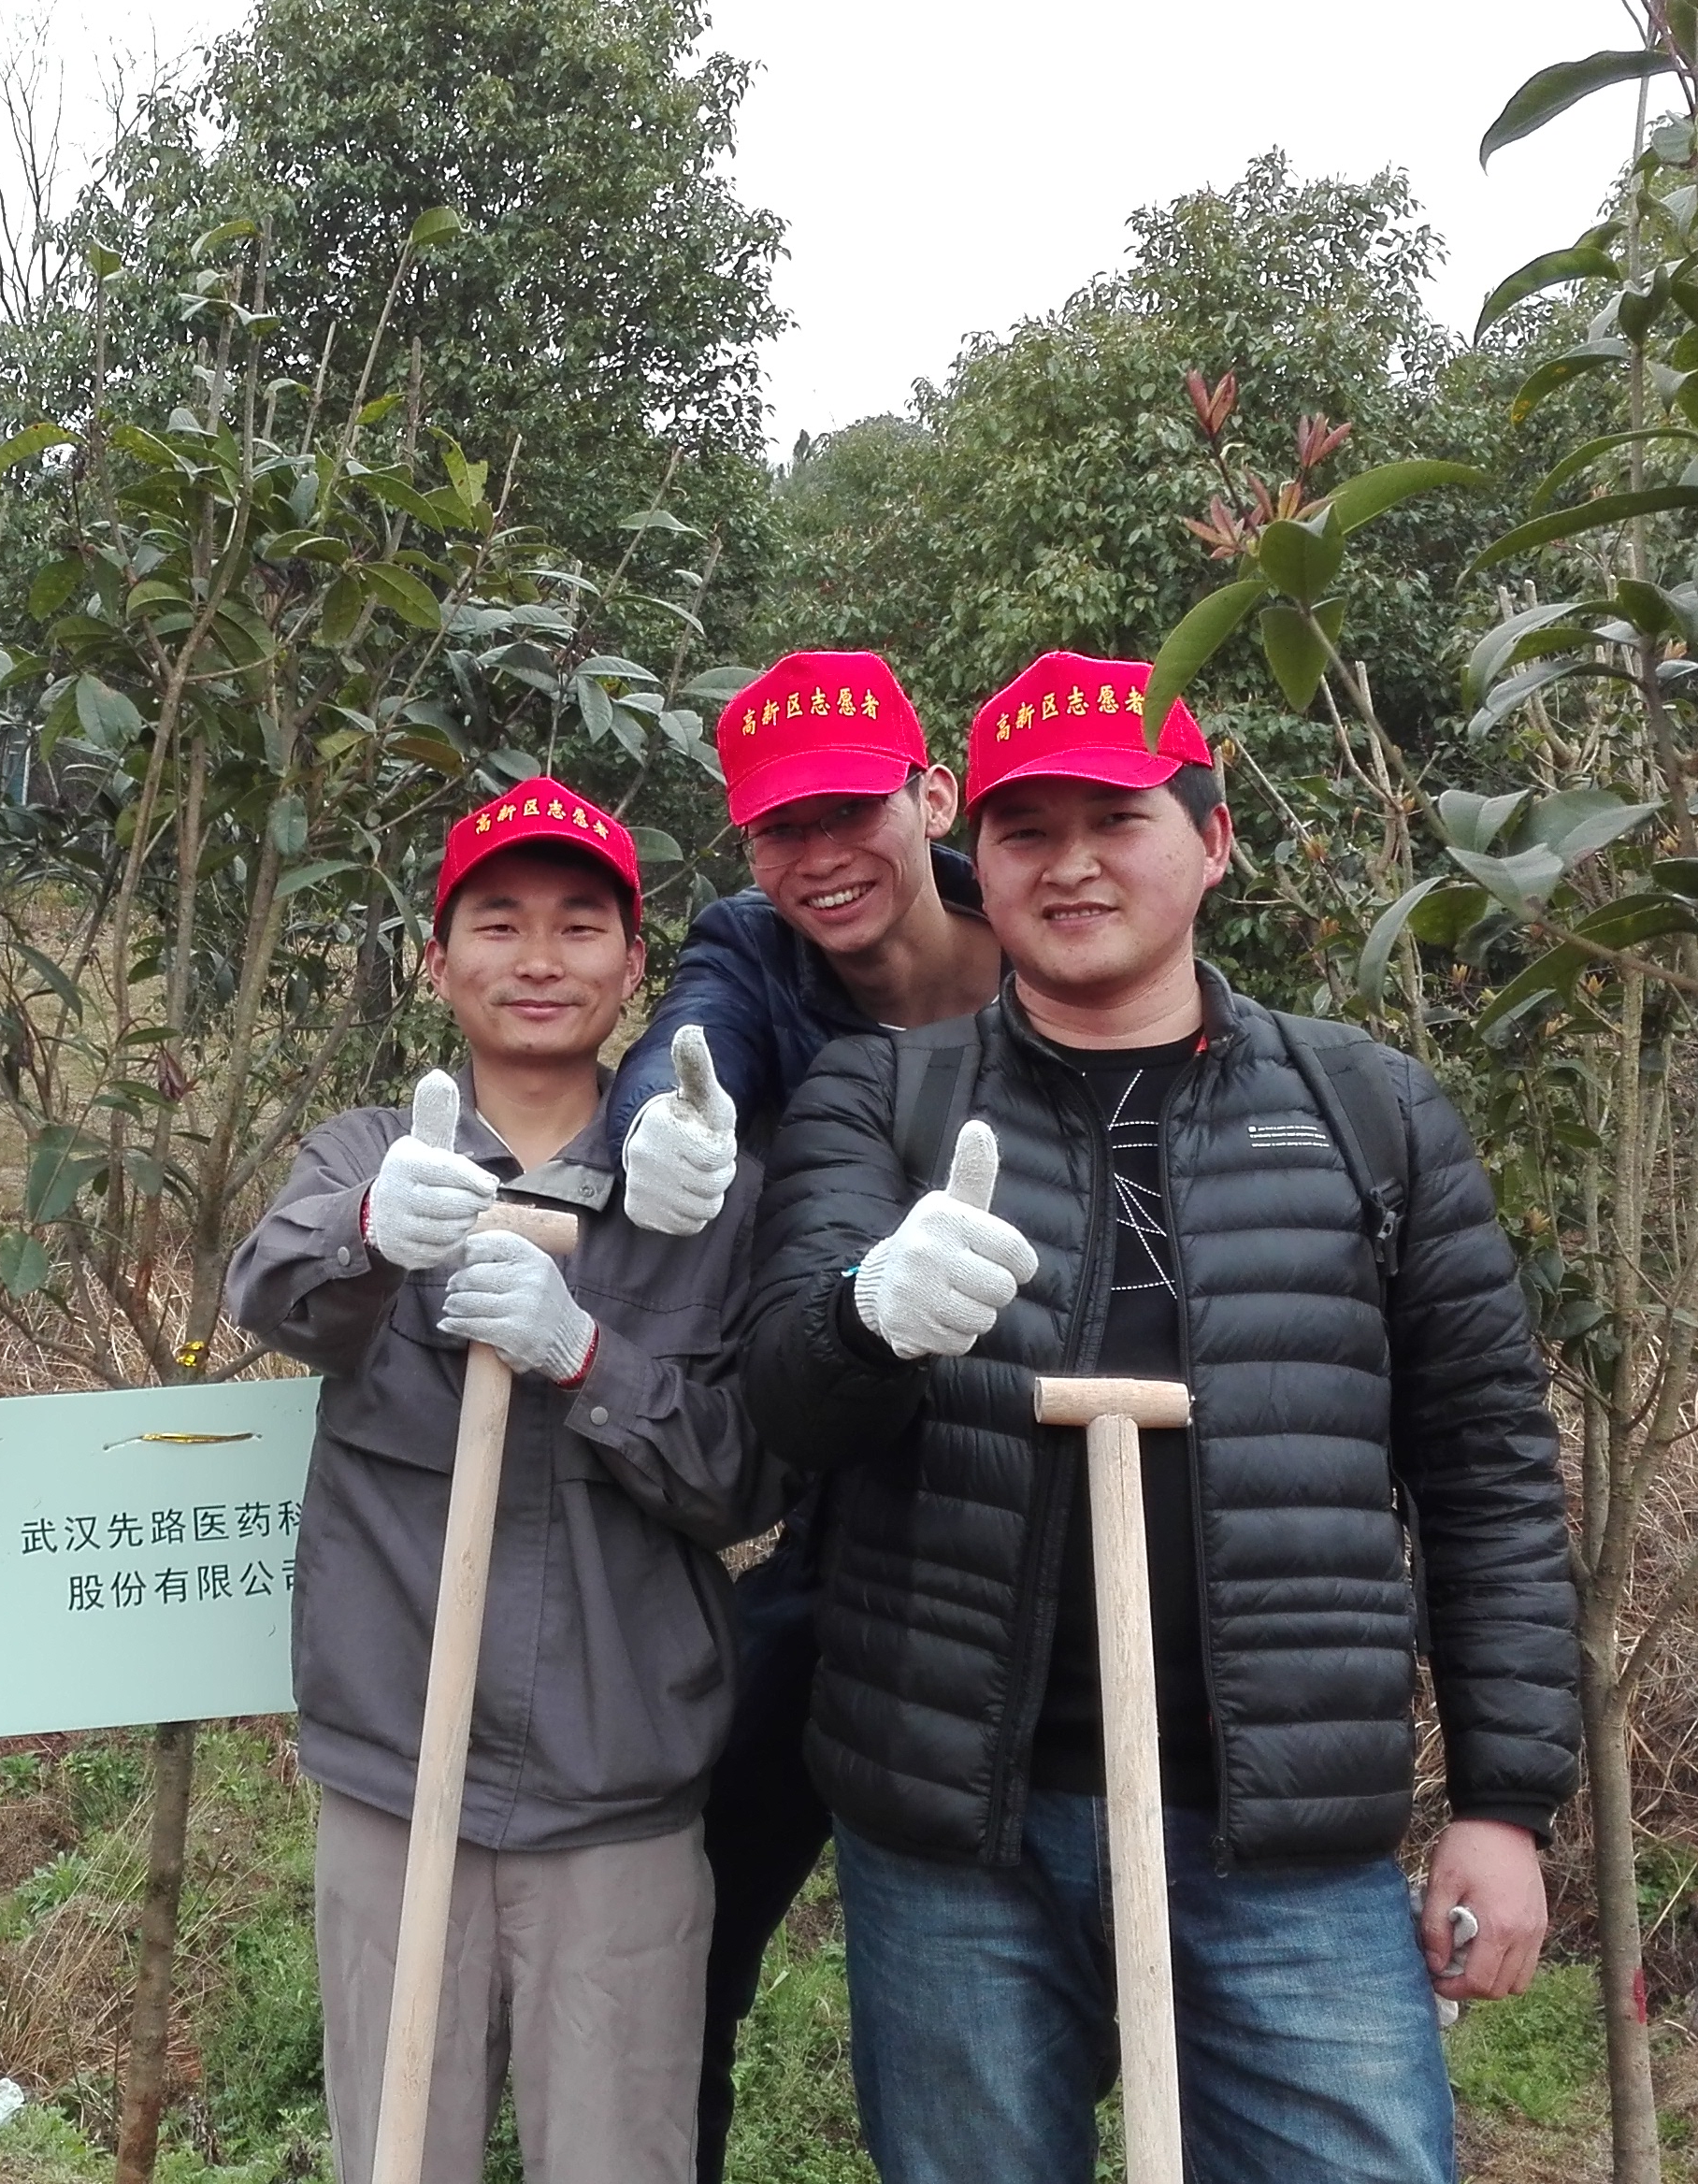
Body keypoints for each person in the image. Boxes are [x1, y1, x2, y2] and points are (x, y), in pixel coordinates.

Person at [737, 652, 1579, 2183]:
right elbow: (786, 1402)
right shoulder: (882, 1100)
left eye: (1114, 820)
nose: (1069, 866)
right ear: (976, 856)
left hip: (1286, 1849)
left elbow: (1488, 1473)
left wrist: (1504, 1804)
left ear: (1214, 839)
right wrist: (866, 1312)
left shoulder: (1369, 1111)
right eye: (1025, 831)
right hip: (957, 1847)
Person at [224, 778, 772, 2184]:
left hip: (620, 1788)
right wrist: (372, 1227)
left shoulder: (701, 1185)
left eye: (581, 927)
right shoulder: (372, 1150)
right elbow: (272, 1293)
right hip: (397, 1778)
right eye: (499, 923)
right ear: (436, 958)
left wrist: (589, 1359)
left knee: (620, 2159)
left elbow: (744, 1482)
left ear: (634, 966)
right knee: (400, 2154)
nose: (539, 959)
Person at [595, 650, 999, 2183]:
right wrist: (661, 1122)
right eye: (782, 827)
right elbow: (690, 1038)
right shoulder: (754, 952)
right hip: (846, 1498)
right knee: (699, 1899)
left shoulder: (1051, 928)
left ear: (931, 797)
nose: (822, 857)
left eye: (850, 812)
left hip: (1047, 1491)